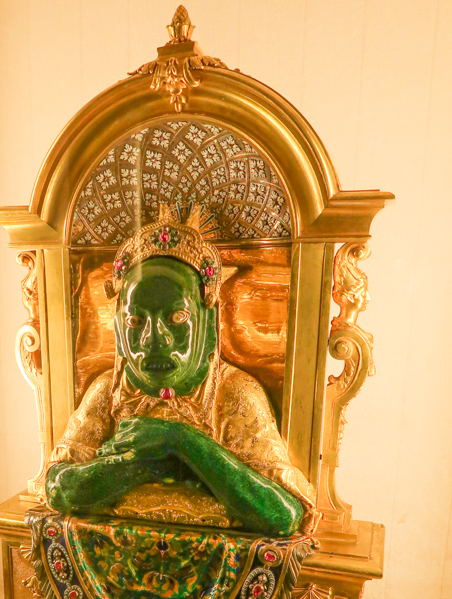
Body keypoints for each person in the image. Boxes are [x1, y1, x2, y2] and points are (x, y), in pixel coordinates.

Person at [45, 205, 316, 538]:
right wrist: (152, 460)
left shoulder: (233, 392)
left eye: (176, 319)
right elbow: (58, 489)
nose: (154, 340)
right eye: (135, 321)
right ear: (118, 328)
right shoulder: (110, 391)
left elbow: (283, 514)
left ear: (207, 323)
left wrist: (183, 442)